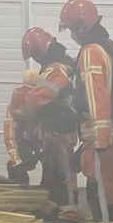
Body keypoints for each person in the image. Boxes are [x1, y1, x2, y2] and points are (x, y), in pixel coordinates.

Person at [58, 0, 113, 223]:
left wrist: (100, 137)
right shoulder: (109, 47)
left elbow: (97, 96)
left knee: (99, 182)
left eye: (71, 29)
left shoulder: (90, 52)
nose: (72, 35)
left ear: (80, 26)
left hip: (98, 132)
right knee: (111, 179)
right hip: (112, 128)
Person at [19, 27, 78, 206]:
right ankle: (57, 208)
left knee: (62, 176)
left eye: (34, 54)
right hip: (56, 131)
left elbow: (41, 96)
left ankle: (67, 211)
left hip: (60, 132)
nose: (35, 59)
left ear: (40, 50)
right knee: (53, 176)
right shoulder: (59, 64)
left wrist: (25, 109)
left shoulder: (56, 69)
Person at [3, 70, 41, 185]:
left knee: (16, 165)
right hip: (33, 142)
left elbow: (9, 131)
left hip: (22, 142)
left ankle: (19, 184)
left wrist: (14, 157)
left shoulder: (14, 101)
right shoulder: (40, 97)